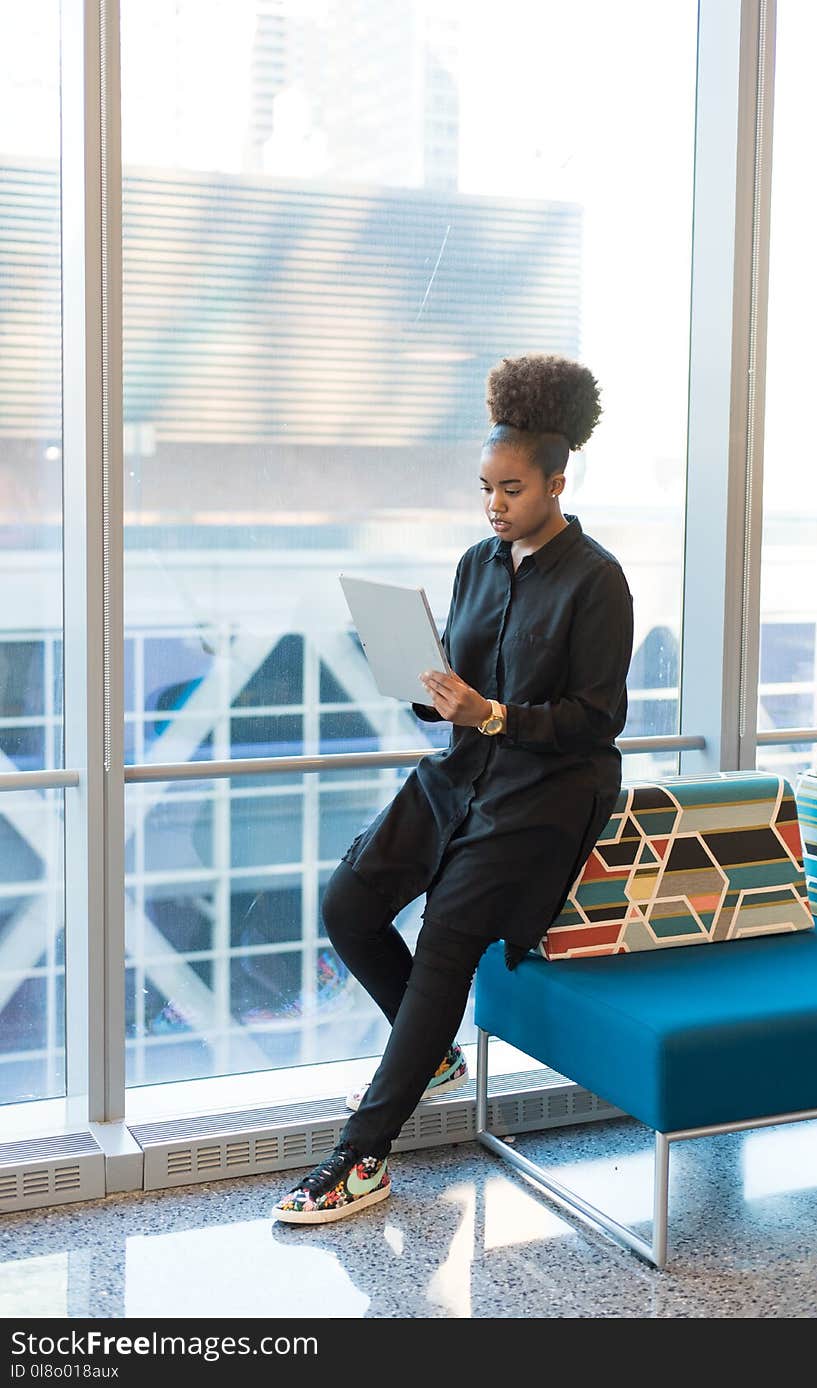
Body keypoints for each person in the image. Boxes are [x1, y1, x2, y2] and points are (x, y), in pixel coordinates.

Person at [272, 353, 634, 1225]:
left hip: (546, 794)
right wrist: (423, 683)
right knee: (349, 904)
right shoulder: (478, 563)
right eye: (485, 489)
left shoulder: (598, 580)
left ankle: (361, 1159)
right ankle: (429, 1054)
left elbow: (596, 719)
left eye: (510, 489)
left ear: (556, 481)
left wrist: (495, 714)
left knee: (444, 943)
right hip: (464, 772)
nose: (494, 506)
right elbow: (460, 692)